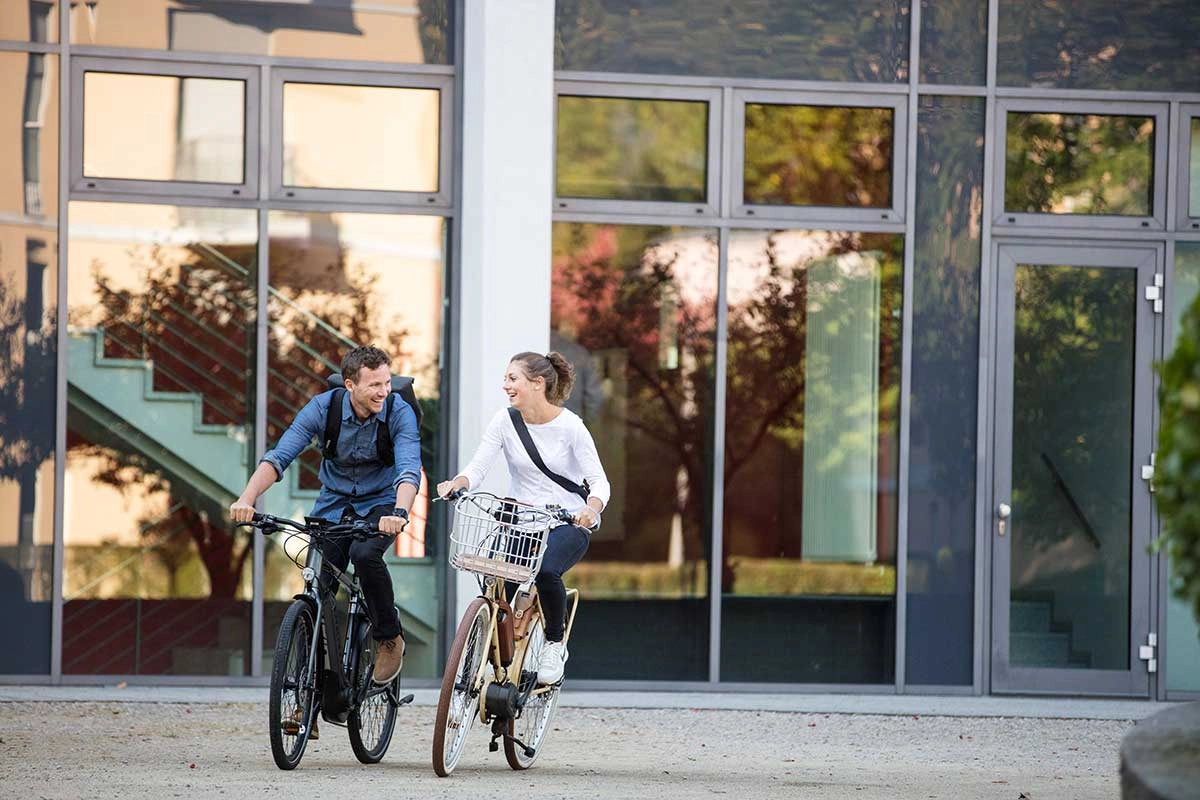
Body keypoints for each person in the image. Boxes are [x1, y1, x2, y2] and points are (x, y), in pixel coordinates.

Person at [230, 345, 419, 695]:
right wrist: (246, 499)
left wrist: (399, 512)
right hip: (333, 504)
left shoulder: (398, 412)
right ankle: (309, 689)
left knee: (364, 555)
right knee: (316, 585)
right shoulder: (323, 408)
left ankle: (389, 637)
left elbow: (408, 468)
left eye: (387, 382)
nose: (384, 391)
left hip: (381, 504)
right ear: (350, 385)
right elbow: (280, 456)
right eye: (374, 385)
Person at [437, 351, 610, 685]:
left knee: (546, 571)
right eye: (505, 379)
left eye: (512, 379)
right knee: (498, 589)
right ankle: (489, 659)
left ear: (537, 383)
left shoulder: (571, 427)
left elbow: (599, 481)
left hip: (566, 522)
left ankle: (555, 644)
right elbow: (478, 467)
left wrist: (590, 509)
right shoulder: (504, 421)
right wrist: (458, 483)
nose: (505, 386)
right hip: (522, 521)